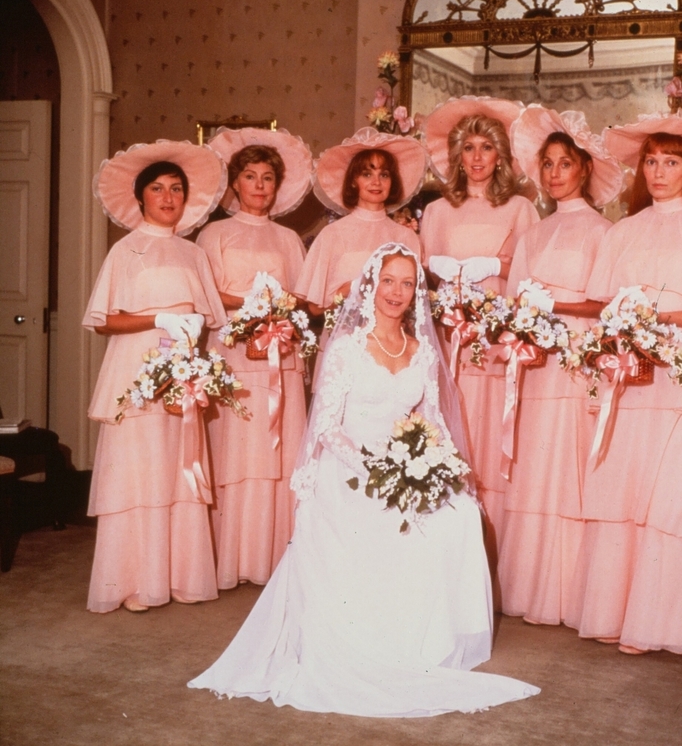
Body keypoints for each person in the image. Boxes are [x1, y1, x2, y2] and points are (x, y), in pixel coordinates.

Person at [188, 243, 540, 716]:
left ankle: (424, 642)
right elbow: (327, 429)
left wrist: (442, 468)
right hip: (349, 468)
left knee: (458, 515)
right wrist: (376, 468)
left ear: (417, 292)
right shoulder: (347, 350)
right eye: (389, 281)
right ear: (371, 285)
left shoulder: (421, 353)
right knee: (377, 523)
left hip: (403, 464)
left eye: (407, 283)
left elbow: (432, 420)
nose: (397, 292)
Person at [565, 110, 682, 655]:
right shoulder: (624, 230)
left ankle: (658, 624)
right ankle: (613, 613)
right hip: (628, 372)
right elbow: (602, 307)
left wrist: (661, 319)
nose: (658, 171)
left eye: (671, 161)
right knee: (624, 486)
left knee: (671, 492)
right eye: (651, 161)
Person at [83, 140, 228, 613]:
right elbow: (105, 319)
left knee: (176, 470)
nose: (168, 198)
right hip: (135, 373)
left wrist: (193, 360)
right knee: (138, 473)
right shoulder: (127, 251)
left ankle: (179, 576)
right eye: (158, 189)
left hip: (181, 374)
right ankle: (132, 583)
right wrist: (156, 319)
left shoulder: (193, 254)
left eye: (177, 190)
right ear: (141, 196)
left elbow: (208, 317)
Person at [497, 106, 624, 624]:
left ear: (584, 169)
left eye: (564, 163)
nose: (553, 173)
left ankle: (572, 595)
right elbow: (513, 301)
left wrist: (555, 306)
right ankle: (529, 590)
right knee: (537, 468)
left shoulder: (603, 232)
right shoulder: (533, 234)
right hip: (536, 365)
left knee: (571, 468)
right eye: (546, 164)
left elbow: (610, 304)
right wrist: (524, 322)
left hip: (578, 363)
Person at [419, 96, 540, 571]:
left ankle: (495, 558)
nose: (475, 157)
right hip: (450, 336)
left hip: (495, 340)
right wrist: (434, 269)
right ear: (456, 155)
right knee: (452, 425)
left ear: (500, 156)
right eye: (467, 147)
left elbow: (531, 274)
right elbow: (419, 278)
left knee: (492, 434)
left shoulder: (519, 208)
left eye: (485, 148)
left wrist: (498, 266)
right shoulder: (436, 211)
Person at [198, 127, 313, 590]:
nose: (260, 185)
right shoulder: (214, 233)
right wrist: (252, 306)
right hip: (235, 352)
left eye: (268, 177)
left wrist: (278, 311)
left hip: (279, 354)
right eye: (250, 176)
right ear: (234, 184)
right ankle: (234, 557)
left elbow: (301, 296)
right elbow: (208, 294)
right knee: (238, 452)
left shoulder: (288, 239)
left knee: (276, 451)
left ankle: (274, 557)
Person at [294, 127, 426, 317]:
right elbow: (315, 308)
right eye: (367, 174)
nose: (376, 182)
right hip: (343, 339)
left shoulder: (406, 237)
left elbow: (415, 304)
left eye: (384, 175)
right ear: (354, 181)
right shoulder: (332, 234)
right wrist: (349, 289)